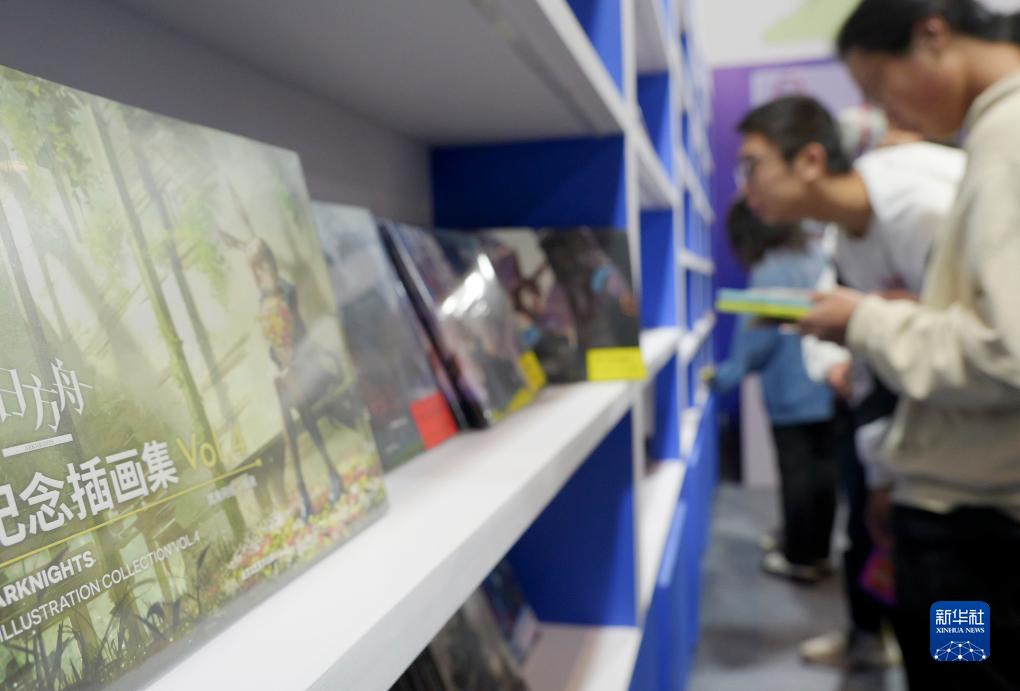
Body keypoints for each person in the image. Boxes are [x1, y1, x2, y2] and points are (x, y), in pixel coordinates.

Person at [803, 2, 1020, 687]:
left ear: (932, 35)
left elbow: (1007, 349)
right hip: (970, 504)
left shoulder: (1005, 137)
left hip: (968, 525)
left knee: (960, 673)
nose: (886, 112)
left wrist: (867, 321)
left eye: (879, 86)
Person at [736, 93, 965, 669]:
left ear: (810, 160)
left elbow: (972, 349)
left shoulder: (924, 209)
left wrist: (866, 321)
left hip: (968, 487)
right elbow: (888, 369)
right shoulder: (850, 239)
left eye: (753, 165)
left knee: (964, 644)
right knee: (928, 622)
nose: (747, 188)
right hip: (921, 466)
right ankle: (872, 639)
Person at [706, 199, 836, 583]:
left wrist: (722, 377)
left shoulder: (769, 269)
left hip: (789, 393)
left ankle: (798, 557)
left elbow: (756, 341)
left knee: (796, 475)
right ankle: (819, 553)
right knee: (823, 474)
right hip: (828, 387)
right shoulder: (817, 256)